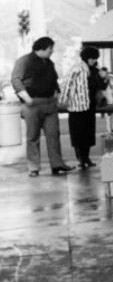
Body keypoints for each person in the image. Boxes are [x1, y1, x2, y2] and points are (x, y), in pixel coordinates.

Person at [11, 36, 70, 177]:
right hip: (32, 104)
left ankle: (57, 164)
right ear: (42, 48)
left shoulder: (49, 63)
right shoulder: (24, 61)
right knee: (32, 136)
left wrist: (56, 95)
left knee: (53, 135)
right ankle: (33, 167)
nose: (52, 51)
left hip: (50, 103)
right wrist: (26, 97)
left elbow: (54, 81)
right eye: (50, 48)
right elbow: (15, 79)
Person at [60, 46, 107, 169]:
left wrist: (104, 77)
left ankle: (86, 158)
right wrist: (62, 100)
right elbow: (66, 84)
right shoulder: (77, 68)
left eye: (95, 58)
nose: (93, 60)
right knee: (78, 134)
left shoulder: (95, 70)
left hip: (89, 105)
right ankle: (81, 159)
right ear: (86, 58)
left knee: (88, 134)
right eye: (91, 58)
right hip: (77, 105)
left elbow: (101, 85)